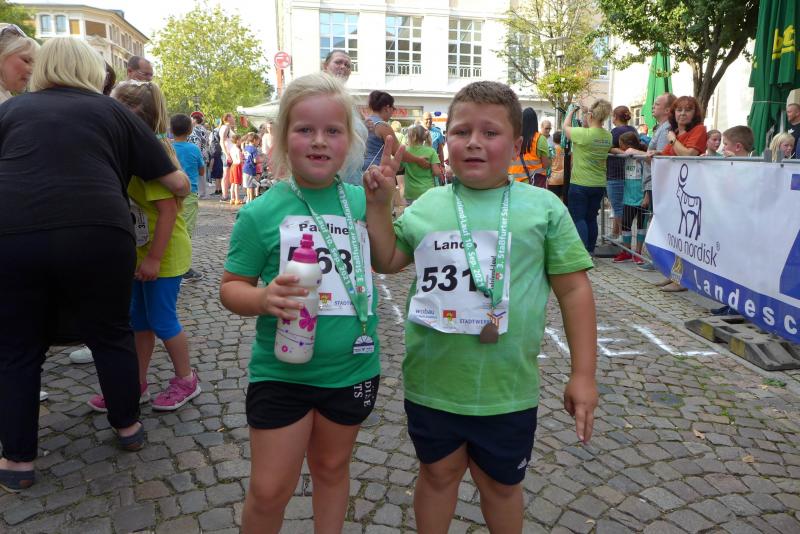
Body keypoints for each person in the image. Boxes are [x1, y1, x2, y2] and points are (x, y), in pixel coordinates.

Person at [363, 80, 597, 533]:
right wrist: (377, 205)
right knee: (437, 475)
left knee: (501, 486)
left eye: (490, 132)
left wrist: (583, 374)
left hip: (507, 388)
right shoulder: (428, 205)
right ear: (445, 140)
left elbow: (574, 291)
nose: (473, 142)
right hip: (434, 382)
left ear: (516, 144)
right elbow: (387, 260)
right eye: (461, 131)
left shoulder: (544, 209)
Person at [0, 37, 190, 492]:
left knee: (17, 346)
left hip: (13, 233)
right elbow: (177, 183)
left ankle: (17, 460)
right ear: (90, 70)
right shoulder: (112, 112)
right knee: (110, 332)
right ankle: (128, 427)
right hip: (99, 232)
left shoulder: (10, 112)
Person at [219, 72, 378, 534]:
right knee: (270, 489)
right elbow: (231, 288)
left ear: (349, 141)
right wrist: (262, 297)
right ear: (284, 136)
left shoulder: (363, 203)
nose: (319, 141)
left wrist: (386, 202)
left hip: (351, 369)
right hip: (281, 373)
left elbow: (389, 258)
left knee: (331, 469)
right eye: (305, 129)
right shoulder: (260, 212)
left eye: (333, 131)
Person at [84, 80, 200, 415]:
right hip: (141, 253)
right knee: (139, 321)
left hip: (163, 255)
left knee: (162, 320)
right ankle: (136, 384)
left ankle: (186, 379)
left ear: (132, 115)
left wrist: (154, 259)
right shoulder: (130, 151)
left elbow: (168, 212)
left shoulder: (150, 157)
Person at [562, 99, 613, 253]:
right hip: (598, 184)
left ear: (591, 116)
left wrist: (571, 111)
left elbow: (565, 127)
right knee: (591, 218)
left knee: (578, 218)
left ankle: (582, 251)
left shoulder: (583, 134)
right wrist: (586, 113)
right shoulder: (608, 136)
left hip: (580, 183)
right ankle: (590, 250)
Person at [321, 50, 368, 186]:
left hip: (352, 177)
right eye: (338, 62)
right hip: (330, 176)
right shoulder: (317, 94)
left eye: (347, 65)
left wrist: (364, 123)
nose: (343, 67)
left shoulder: (348, 99)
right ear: (325, 66)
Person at [171, 113, 205, 282]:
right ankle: (184, 268)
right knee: (185, 231)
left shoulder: (168, 148)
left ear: (171, 129)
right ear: (190, 130)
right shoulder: (194, 149)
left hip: (169, 192)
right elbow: (202, 171)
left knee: (172, 227)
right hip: (189, 193)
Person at [363, 90, 430, 173]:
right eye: (393, 108)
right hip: (376, 171)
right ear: (387, 108)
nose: (392, 112)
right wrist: (418, 160)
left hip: (362, 168)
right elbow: (398, 152)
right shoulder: (383, 126)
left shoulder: (365, 123)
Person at [613, 131, 649, 265]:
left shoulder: (642, 157)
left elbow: (649, 177)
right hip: (628, 197)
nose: (620, 147)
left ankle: (638, 252)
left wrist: (647, 195)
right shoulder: (626, 155)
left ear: (628, 145)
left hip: (642, 197)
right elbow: (612, 149)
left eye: (621, 145)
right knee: (626, 225)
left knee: (641, 226)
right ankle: (627, 251)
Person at [607, 106, 637, 238]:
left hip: (615, 174)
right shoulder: (633, 129)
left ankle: (621, 236)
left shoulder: (615, 131)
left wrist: (618, 151)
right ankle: (615, 233)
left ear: (615, 117)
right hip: (629, 173)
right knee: (620, 205)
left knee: (617, 206)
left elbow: (608, 147)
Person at [508, 107, 550, 187]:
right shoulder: (540, 139)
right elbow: (545, 165)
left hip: (513, 183)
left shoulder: (514, 137)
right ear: (535, 122)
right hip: (533, 185)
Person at [402, 124, 441, 204]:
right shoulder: (431, 151)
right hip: (427, 190)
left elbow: (400, 168)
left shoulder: (406, 151)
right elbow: (437, 172)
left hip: (411, 192)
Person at [187, 111, 210, 197]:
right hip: (204, 154)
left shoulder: (195, 130)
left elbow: (196, 143)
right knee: (202, 175)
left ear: (195, 120)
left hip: (196, 154)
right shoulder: (204, 129)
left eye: (192, 119)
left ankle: (198, 192)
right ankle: (202, 192)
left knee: (195, 174)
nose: (191, 120)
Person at [219, 112, 237, 201]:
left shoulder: (229, 128)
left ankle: (228, 194)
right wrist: (226, 154)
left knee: (229, 174)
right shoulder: (225, 127)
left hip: (231, 153)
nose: (234, 119)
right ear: (228, 118)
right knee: (226, 174)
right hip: (227, 153)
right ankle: (224, 195)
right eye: (233, 117)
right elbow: (221, 141)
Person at [548, 131, 565, 200]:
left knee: (553, 200)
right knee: (562, 201)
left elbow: (547, 165)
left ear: (553, 140)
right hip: (564, 178)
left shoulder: (551, 150)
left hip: (553, 179)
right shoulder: (566, 150)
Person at [243, 132, 260, 203]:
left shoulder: (246, 147)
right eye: (258, 141)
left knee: (248, 186)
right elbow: (255, 160)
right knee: (251, 186)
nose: (258, 143)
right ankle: (251, 201)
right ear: (254, 140)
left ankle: (248, 200)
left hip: (245, 168)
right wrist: (261, 160)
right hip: (251, 169)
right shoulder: (254, 149)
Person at [228, 133, 244, 205]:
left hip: (233, 166)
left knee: (233, 183)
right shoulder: (238, 150)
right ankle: (237, 199)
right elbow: (240, 160)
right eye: (240, 140)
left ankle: (232, 199)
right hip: (237, 166)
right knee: (237, 183)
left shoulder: (231, 148)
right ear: (237, 140)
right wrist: (243, 160)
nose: (241, 141)